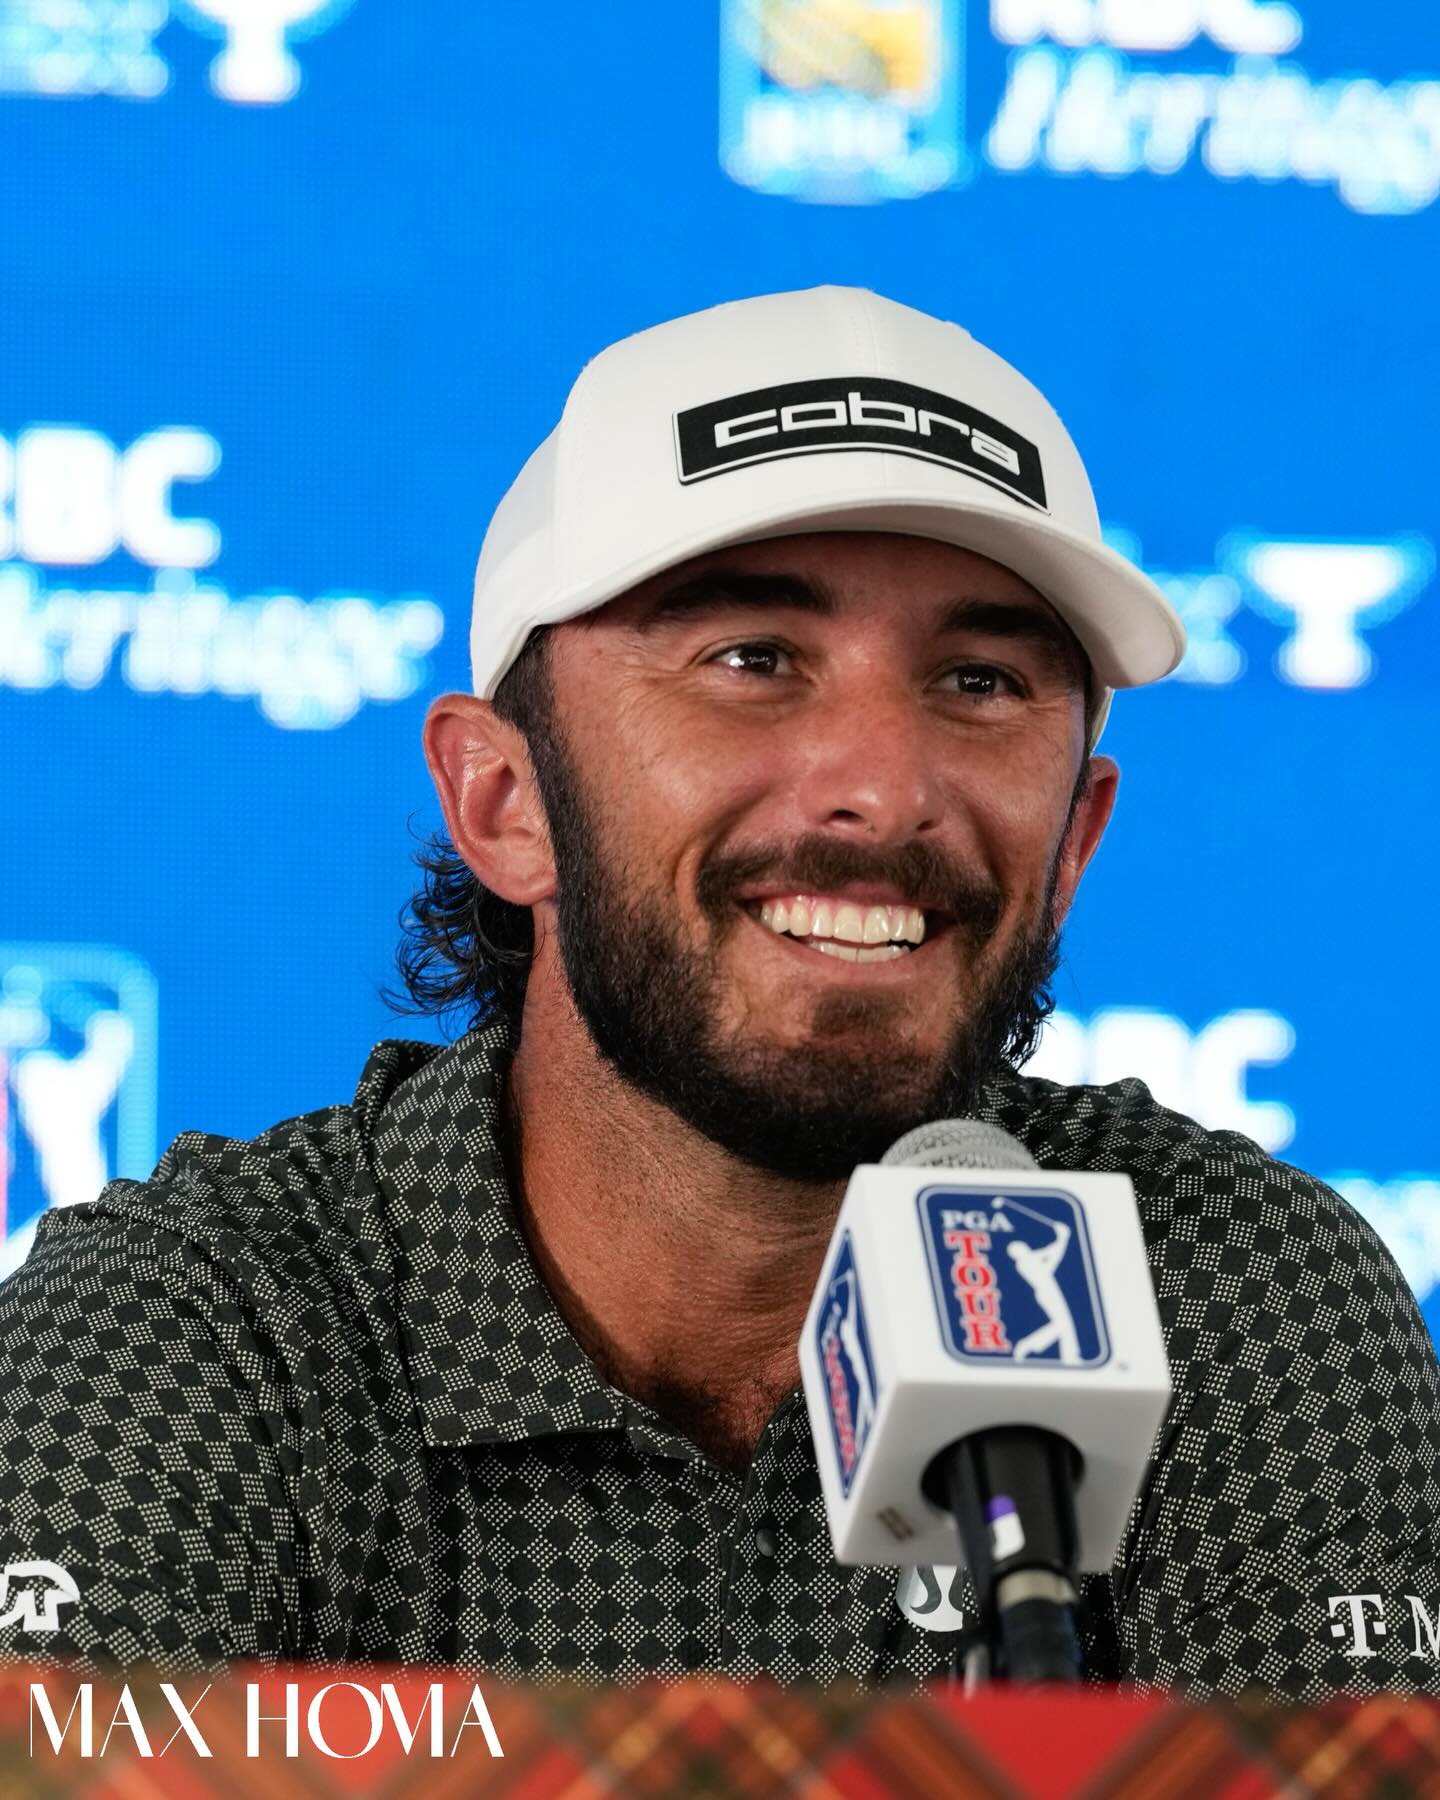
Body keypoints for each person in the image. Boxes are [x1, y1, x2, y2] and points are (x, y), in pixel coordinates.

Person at [1, 288, 1436, 1695]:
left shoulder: (1224, 1283)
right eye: (754, 659)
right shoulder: (198, 1331)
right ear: (503, 801)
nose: (883, 788)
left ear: (1074, 838)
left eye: (983, 681)